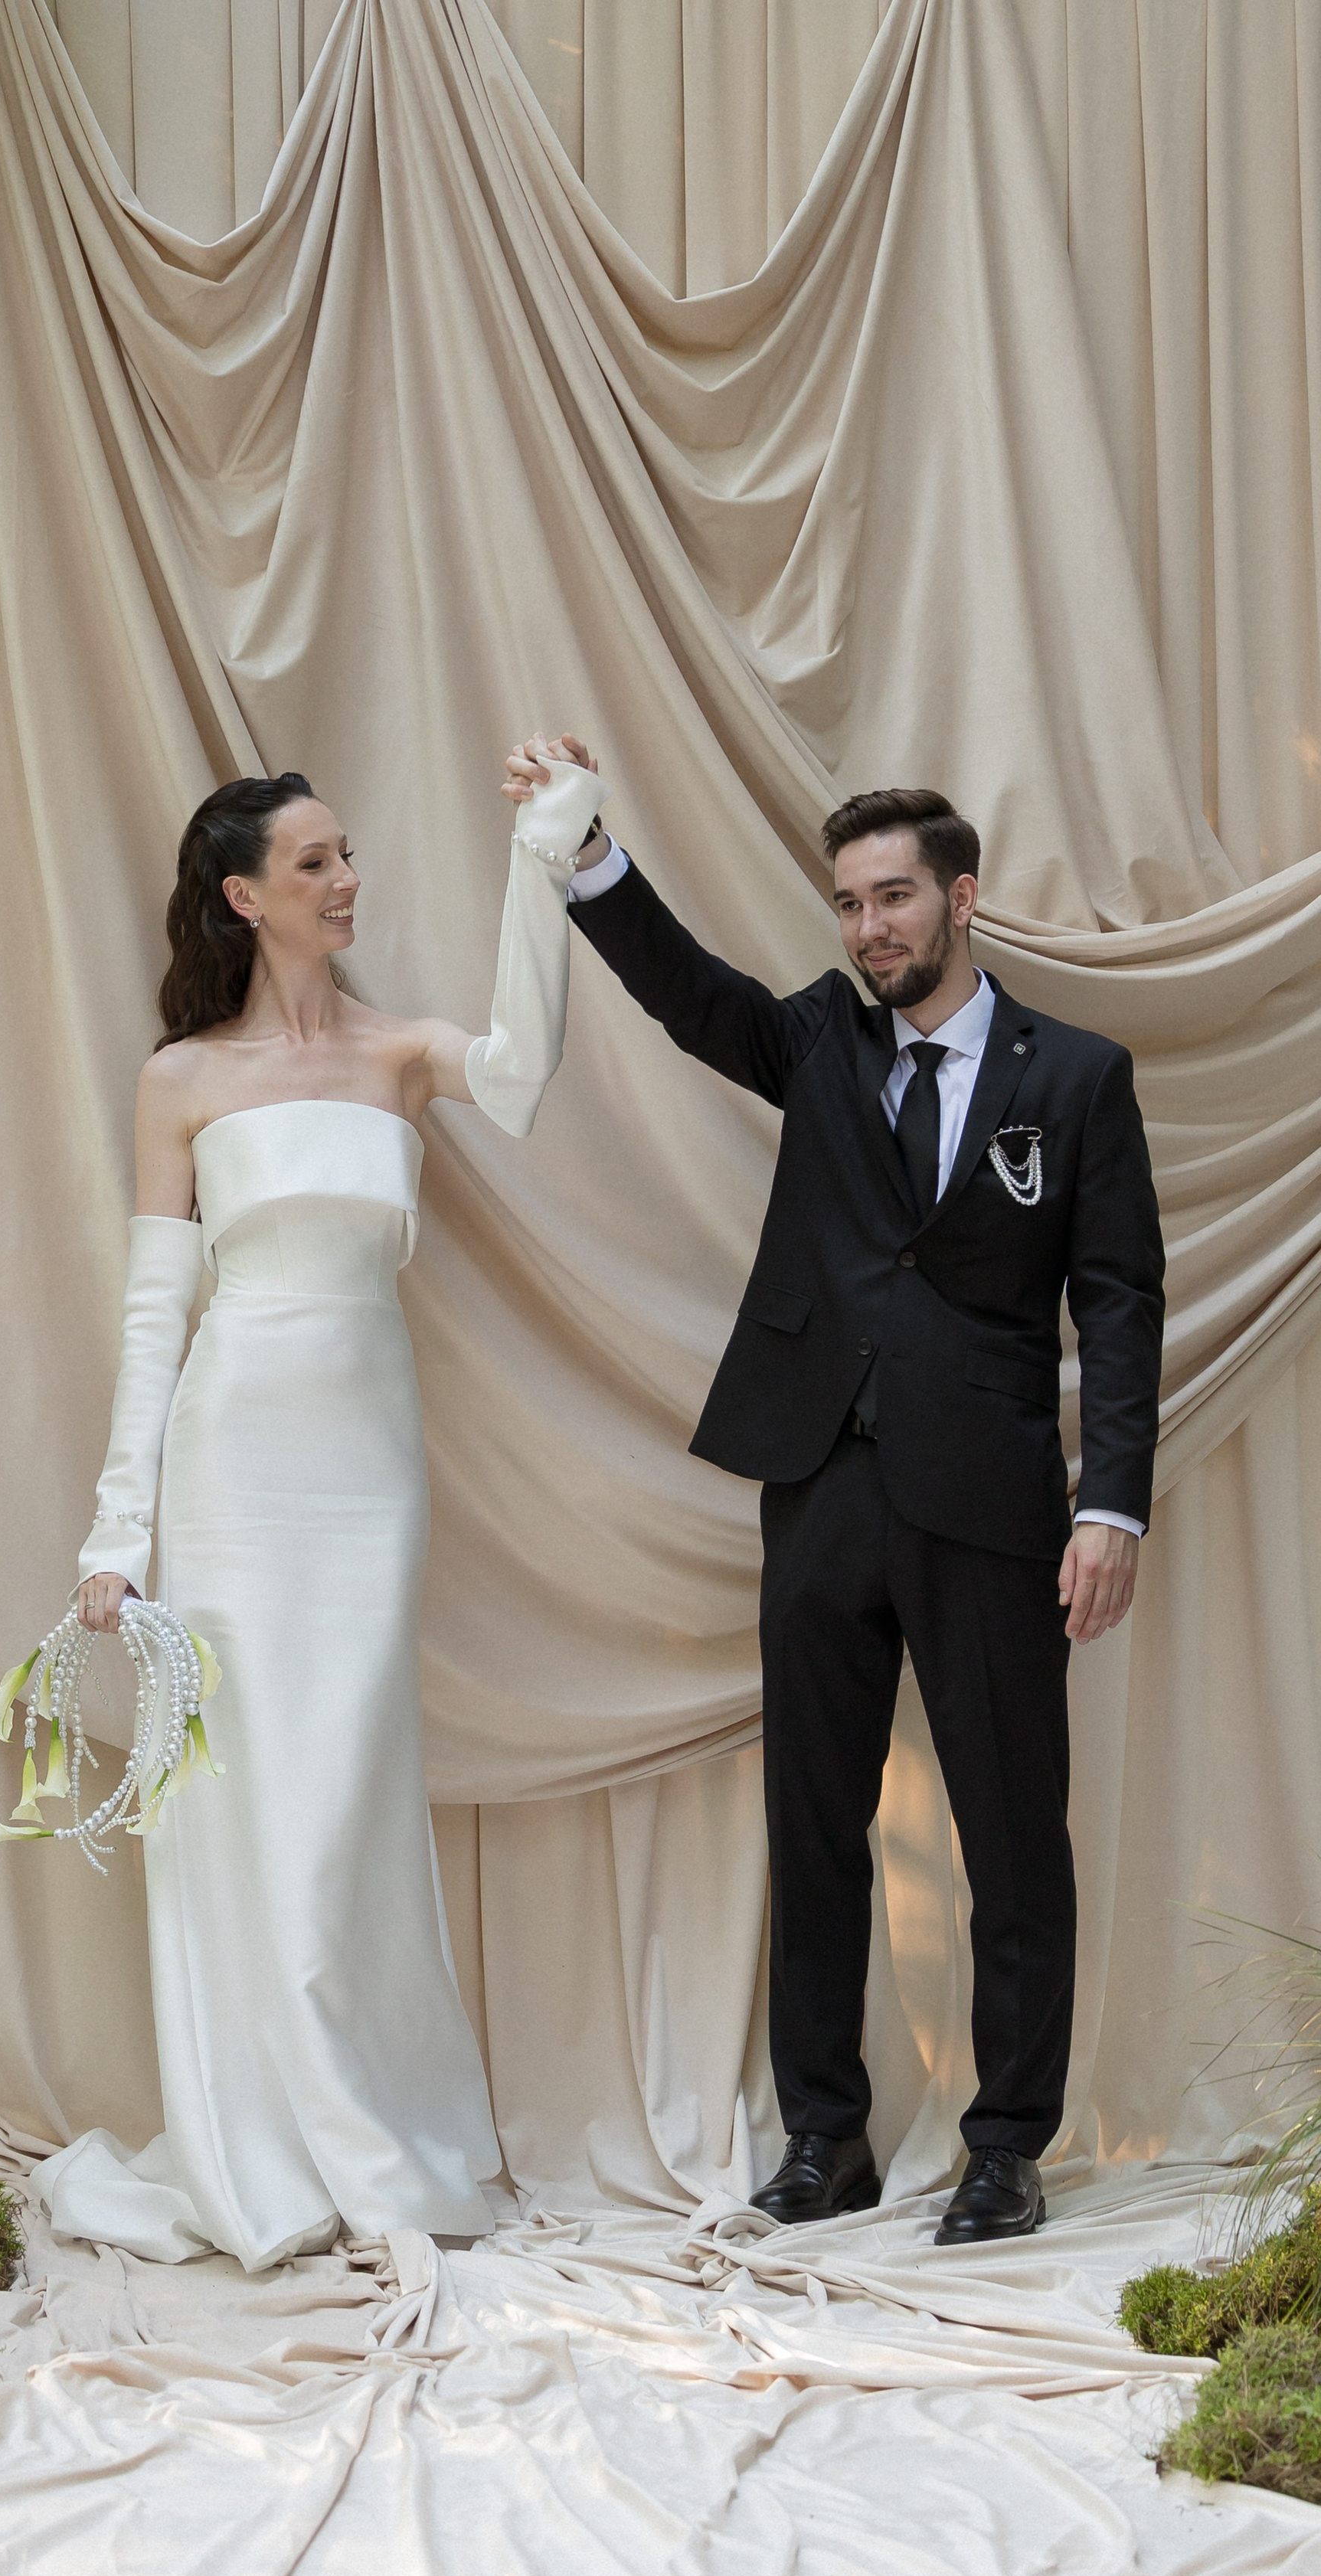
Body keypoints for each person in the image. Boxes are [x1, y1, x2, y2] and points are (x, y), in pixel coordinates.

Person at [505, 736, 1164, 2244]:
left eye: (891, 899)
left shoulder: (1071, 1078)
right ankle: (823, 2140)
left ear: (958, 899)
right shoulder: (815, 1039)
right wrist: (585, 851)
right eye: (847, 905)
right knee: (812, 1826)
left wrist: (1105, 1503)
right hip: (816, 1483)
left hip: (990, 1496)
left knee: (1010, 1832)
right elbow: (691, 997)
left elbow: (1116, 1302)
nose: (867, 929)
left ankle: (1004, 2149)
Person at [32, 750, 607, 2270]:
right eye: (314, 865)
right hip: (232, 1471)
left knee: (345, 1793)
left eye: (348, 855)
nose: (347, 879)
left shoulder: (399, 1053)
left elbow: (527, 1071)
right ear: (242, 897)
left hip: (369, 1470)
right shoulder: (184, 1078)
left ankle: (370, 2125)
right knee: (243, 1799)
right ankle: (265, 2149)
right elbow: (157, 1318)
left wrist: (540, 864)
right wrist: (114, 1538)